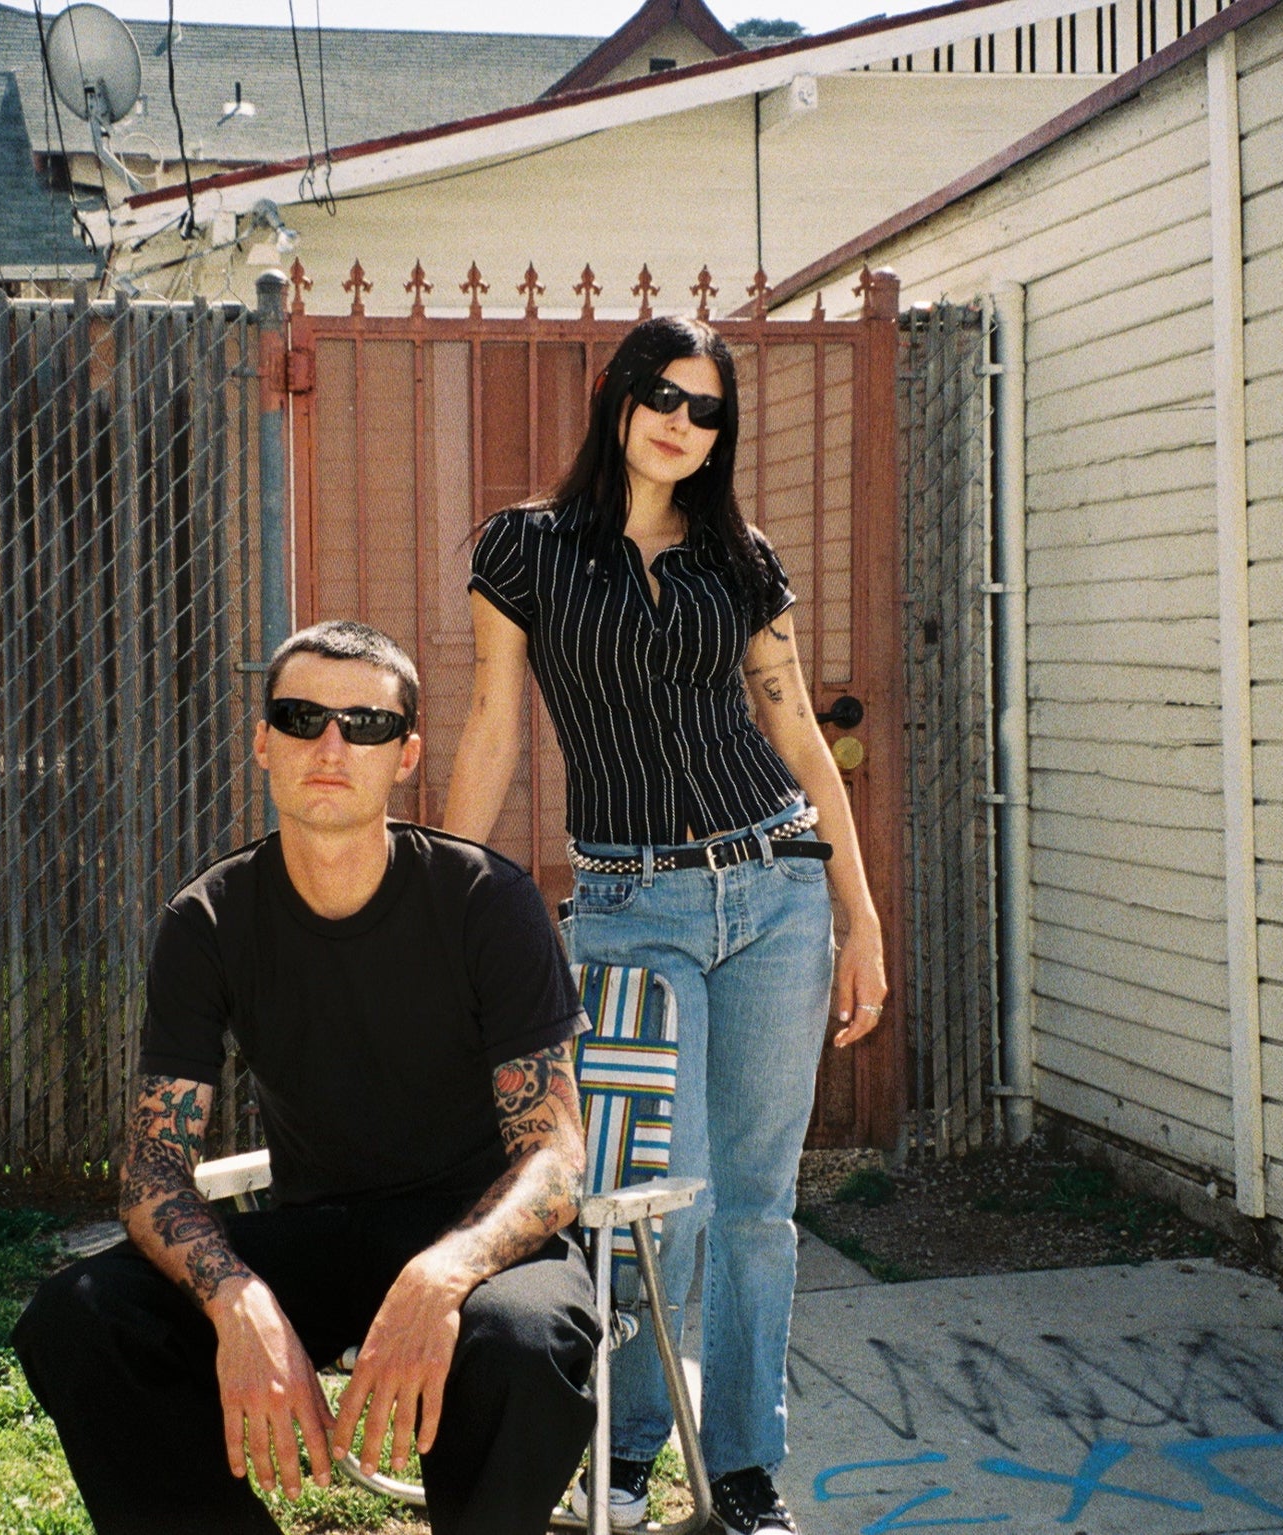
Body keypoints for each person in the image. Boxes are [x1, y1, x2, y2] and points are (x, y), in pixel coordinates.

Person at [442, 316, 889, 1535]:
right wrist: (450, 904)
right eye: (661, 396)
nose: (680, 423)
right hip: (629, 913)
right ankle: (627, 1448)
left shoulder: (738, 556)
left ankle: (743, 1469)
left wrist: (857, 912)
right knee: (651, 1201)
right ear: (617, 398)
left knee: (753, 1204)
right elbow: (492, 725)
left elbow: (796, 734)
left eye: (704, 409)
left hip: (776, 892)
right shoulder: (523, 548)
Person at [13, 619, 600, 1535]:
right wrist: (235, 1300)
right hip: (315, 1228)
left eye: (365, 725)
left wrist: (442, 1273)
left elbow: (555, 1155)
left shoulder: (486, 900)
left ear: (405, 756)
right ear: (263, 741)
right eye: (302, 717)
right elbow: (151, 1169)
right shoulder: (208, 919)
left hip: (478, 1236)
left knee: (521, 1340)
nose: (332, 746)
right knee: (79, 1317)